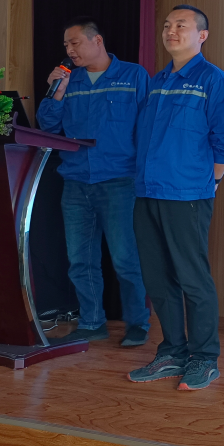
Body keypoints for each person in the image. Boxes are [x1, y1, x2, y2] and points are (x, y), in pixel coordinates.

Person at [127, 5, 224, 391]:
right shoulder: (158, 81)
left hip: (187, 194)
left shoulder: (213, 80)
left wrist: (212, 182)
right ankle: (172, 351)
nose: (171, 31)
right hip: (147, 192)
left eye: (181, 25)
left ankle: (204, 358)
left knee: (193, 278)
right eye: (167, 25)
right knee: (157, 278)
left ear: (202, 35)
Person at [37, 18, 151, 348]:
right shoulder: (68, 80)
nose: (69, 50)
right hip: (75, 182)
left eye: (75, 43)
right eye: (66, 45)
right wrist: (56, 91)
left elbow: (148, 126)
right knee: (80, 260)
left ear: (97, 40)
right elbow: (47, 126)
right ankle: (91, 322)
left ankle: (137, 323)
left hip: (119, 181)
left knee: (126, 259)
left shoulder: (133, 75)